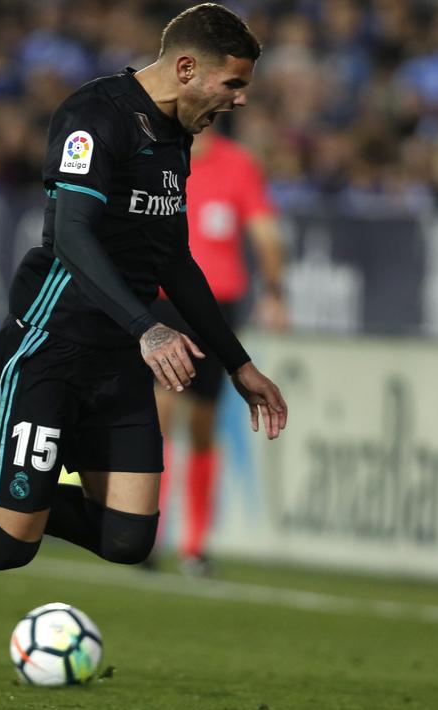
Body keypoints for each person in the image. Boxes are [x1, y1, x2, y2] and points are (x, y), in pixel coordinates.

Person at [0, 3, 286, 571]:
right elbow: (72, 236)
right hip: (51, 348)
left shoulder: (174, 135)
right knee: (6, 547)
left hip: (119, 360)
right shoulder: (95, 115)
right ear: (186, 69)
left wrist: (238, 364)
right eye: (233, 82)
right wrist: (148, 328)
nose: (240, 98)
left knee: (128, 542)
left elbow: (173, 259)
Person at [147, 128, 288, 576]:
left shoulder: (238, 164)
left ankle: (194, 545)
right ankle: (149, 534)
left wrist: (274, 292)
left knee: (203, 425)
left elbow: (265, 232)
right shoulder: (160, 158)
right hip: (166, 302)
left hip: (218, 307)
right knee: (163, 414)